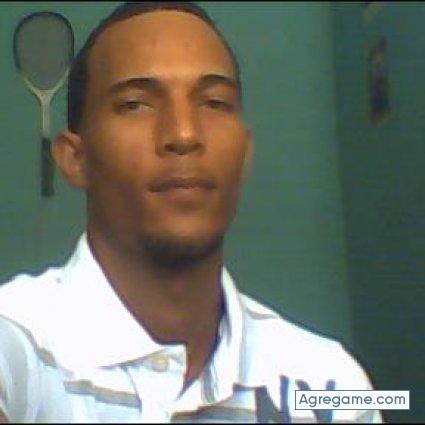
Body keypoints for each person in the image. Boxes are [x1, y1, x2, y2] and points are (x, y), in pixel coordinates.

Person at [0, 2, 382, 423]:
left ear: (245, 154)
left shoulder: (333, 386)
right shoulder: (15, 340)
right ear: (75, 158)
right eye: (135, 104)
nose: (184, 134)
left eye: (214, 103)